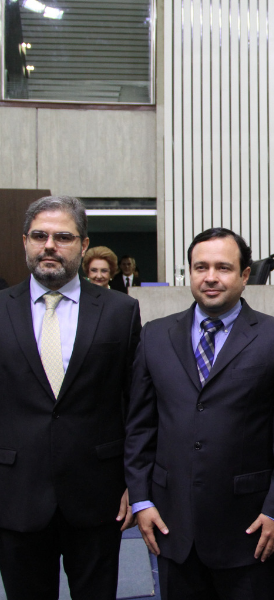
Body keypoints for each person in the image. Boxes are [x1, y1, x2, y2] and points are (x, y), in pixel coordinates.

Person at [124, 227, 274, 600]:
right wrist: (141, 499)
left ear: (245, 275)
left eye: (223, 268)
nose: (210, 277)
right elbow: (140, 427)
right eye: (201, 267)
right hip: (171, 525)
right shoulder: (155, 336)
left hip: (249, 530)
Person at [0, 195, 141, 600]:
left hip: (98, 496)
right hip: (14, 494)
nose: (49, 245)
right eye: (39, 236)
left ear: (83, 244)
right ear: (25, 242)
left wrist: (135, 482)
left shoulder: (120, 311)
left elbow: (135, 403)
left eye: (63, 237)